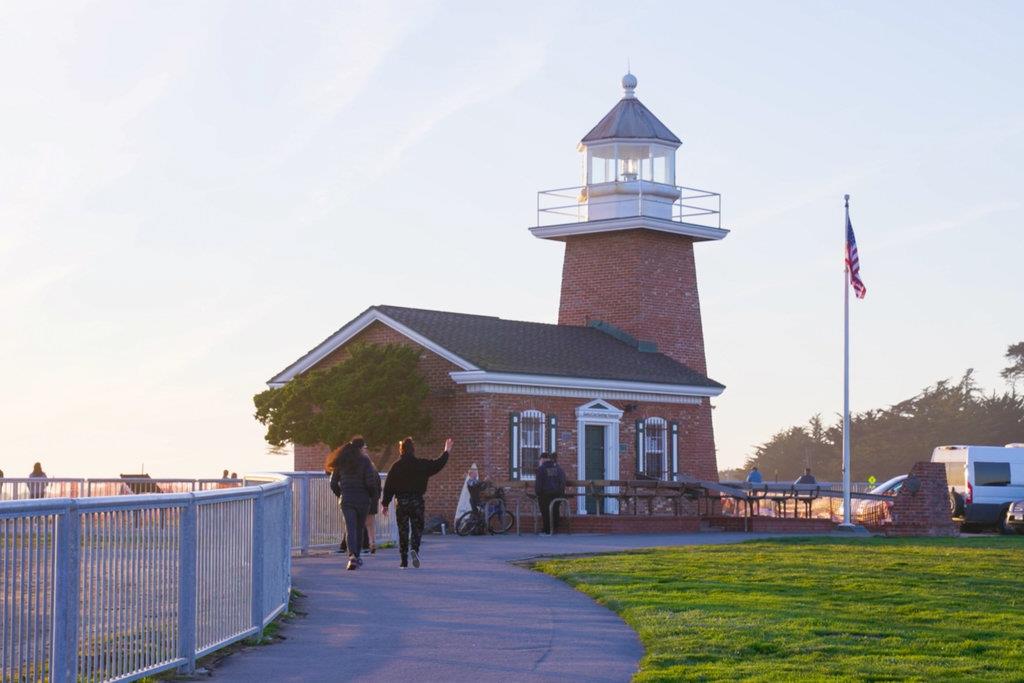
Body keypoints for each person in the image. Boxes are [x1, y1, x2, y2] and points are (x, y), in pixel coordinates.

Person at [381, 437, 452, 569]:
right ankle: (415, 550)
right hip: (417, 500)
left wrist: (385, 503)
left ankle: (403, 560)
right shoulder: (420, 464)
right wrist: (446, 451)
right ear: (413, 449)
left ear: (401, 450)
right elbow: (437, 464)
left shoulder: (396, 466)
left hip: (401, 502)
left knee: (403, 530)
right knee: (417, 528)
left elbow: (389, 486)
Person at [328, 437, 380, 570]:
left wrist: (341, 494)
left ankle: (352, 556)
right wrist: (371, 495)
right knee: (359, 528)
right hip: (362, 500)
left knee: (350, 528)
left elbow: (333, 483)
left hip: (347, 499)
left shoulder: (341, 461)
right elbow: (370, 482)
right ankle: (357, 556)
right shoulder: (365, 461)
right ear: (360, 449)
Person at [534, 452, 567, 535]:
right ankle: (555, 527)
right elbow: (563, 482)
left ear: (542, 459)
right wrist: (561, 492)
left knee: (545, 512)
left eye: (540, 460)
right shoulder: (559, 469)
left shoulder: (541, 469)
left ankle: (547, 529)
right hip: (558, 494)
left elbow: (538, 484)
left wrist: (538, 493)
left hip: (545, 495)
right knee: (555, 510)